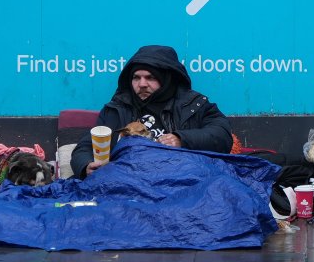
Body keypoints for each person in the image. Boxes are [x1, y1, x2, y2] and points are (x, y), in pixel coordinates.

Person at [70, 45, 233, 179]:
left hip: (180, 180)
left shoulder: (192, 104)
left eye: (150, 78)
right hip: (128, 182)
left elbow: (222, 135)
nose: (142, 84)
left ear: (166, 80)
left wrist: (182, 139)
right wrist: (86, 166)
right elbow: (85, 147)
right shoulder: (117, 108)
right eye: (136, 77)